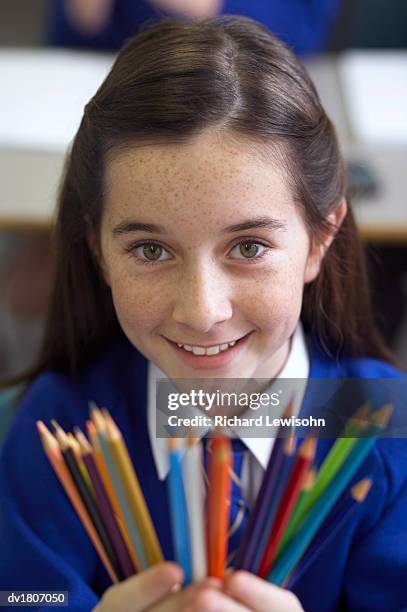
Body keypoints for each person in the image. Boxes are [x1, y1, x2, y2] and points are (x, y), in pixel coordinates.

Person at [0, 15, 406, 612]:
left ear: (320, 239)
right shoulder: (60, 426)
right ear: (100, 253)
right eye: (150, 250)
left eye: (248, 247)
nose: (202, 311)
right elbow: (21, 593)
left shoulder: (386, 427)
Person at [47, 0, 341, 55]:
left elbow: (303, 34)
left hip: (250, 86)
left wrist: (206, 8)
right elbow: (71, 38)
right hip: (124, 77)